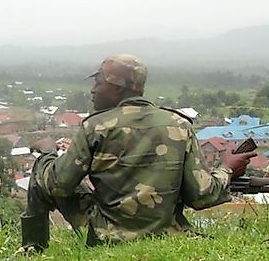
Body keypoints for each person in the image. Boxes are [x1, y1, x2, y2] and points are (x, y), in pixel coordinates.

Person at [24, 54, 256, 248]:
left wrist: (47, 153)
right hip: (167, 234)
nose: (93, 91)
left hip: (109, 236)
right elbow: (201, 195)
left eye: (98, 83)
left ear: (116, 88)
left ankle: (33, 249)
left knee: (43, 169)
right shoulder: (178, 125)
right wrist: (226, 169)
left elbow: (59, 185)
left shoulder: (96, 127)